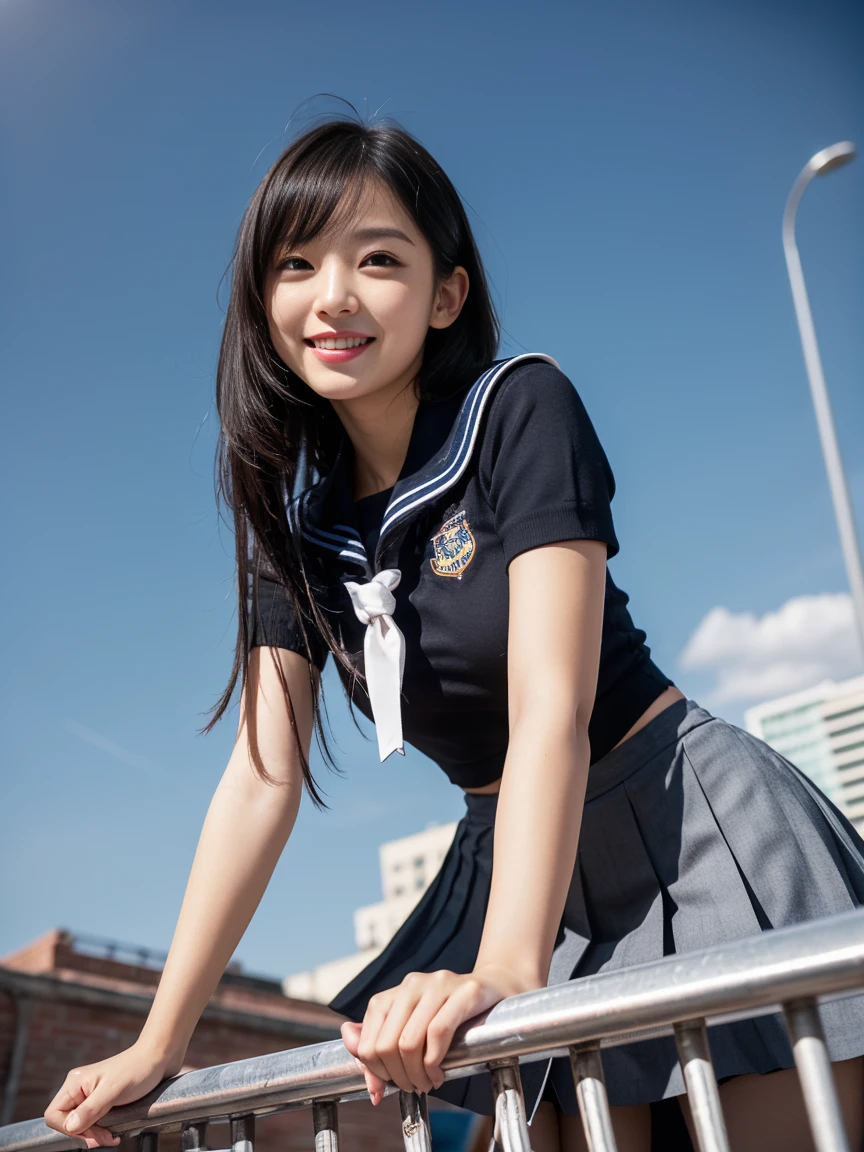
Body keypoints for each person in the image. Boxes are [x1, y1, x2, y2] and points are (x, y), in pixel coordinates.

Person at [44, 117, 864, 1152]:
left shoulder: (520, 407)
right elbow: (261, 779)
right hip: (506, 859)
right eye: (296, 264)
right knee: (321, 1120)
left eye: (377, 259)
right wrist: (160, 1041)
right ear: (263, 301)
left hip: (683, 821)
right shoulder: (294, 527)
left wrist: (510, 975)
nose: (332, 295)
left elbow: (549, 709)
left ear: (445, 296)